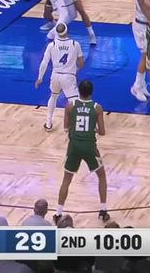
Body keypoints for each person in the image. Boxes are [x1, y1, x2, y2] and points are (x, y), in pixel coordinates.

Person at [55, 79, 110, 223]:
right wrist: (93, 128)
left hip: (74, 146)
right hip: (89, 147)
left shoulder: (70, 105)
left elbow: (66, 128)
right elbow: (102, 132)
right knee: (101, 176)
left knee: (66, 180)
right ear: (91, 92)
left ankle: (58, 213)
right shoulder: (97, 108)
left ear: (79, 91)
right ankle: (103, 210)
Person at [36, 22, 85, 131]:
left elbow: (44, 62)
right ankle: (78, 125)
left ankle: (48, 123)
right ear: (67, 31)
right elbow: (81, 62)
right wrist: (75, 69)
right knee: (75, 101)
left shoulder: (52, 45)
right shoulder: (75, 44)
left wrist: (40, 78)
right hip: (68, 76)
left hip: (55, 76)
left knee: (53, 96)